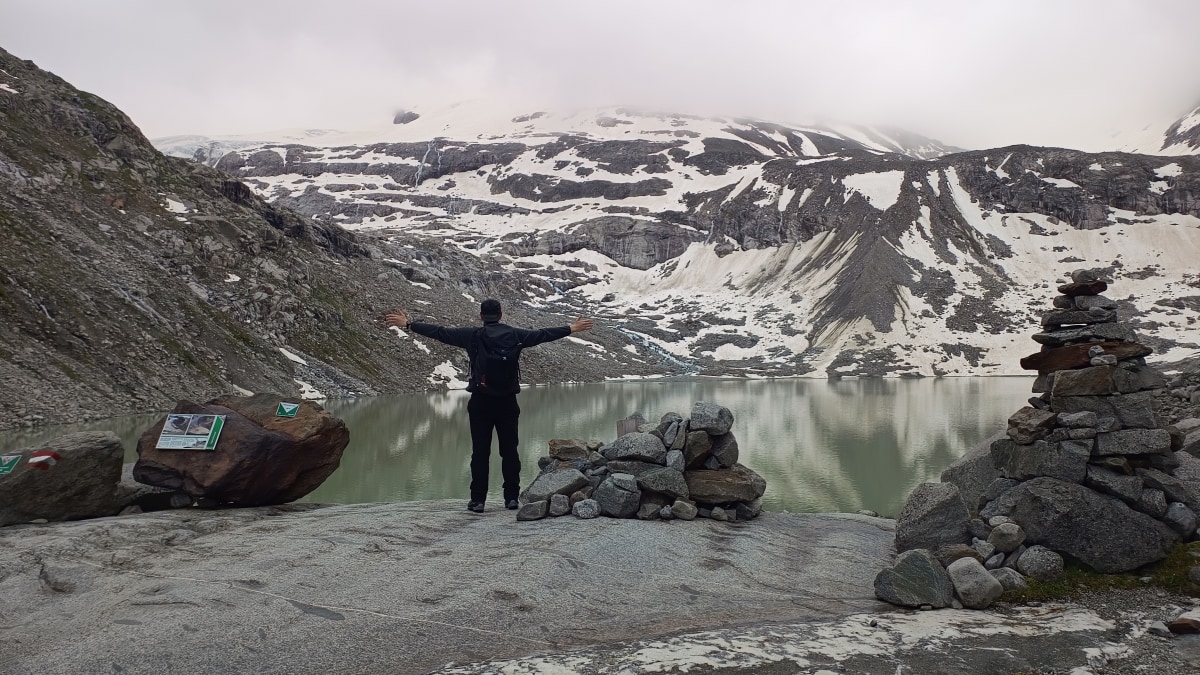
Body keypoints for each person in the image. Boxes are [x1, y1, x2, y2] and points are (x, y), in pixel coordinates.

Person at [385, 299, 594, 513]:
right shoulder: (516, 335)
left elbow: (440, 332)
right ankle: (511, 498)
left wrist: (409, 324)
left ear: (481, 316)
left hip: (480, 402)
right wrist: (571, 328)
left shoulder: (472, 335)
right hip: (507, 403)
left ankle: (478, 501)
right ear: (501, 314)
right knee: (510, 451)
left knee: (480, 452)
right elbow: (543, 334)